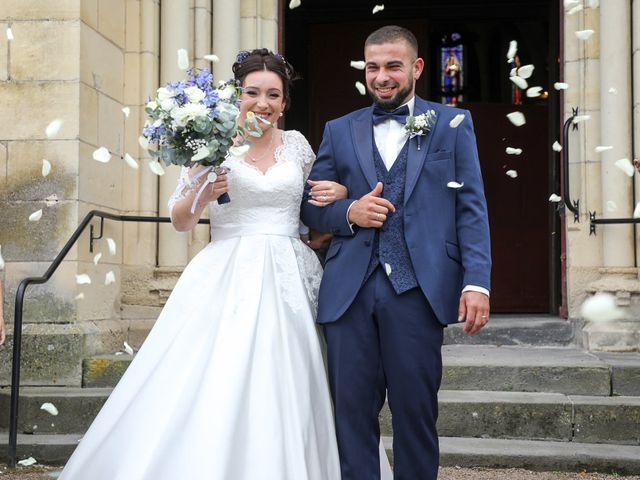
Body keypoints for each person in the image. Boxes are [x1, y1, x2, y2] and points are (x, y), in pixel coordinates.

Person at [59, 49, 347, 480]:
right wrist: (205, 194)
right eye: (253, 92)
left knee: (294, 368)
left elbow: (311, 205)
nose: (263, 103)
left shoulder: (298, 146)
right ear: (238, 95)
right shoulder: (214, 145)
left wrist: (339, 195)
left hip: (291, 269)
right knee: (219, 369)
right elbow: (180, 218)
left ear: (285, 102)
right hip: (228, 269)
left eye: (273, 95)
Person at [301, 25, 492, 480]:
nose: (382, 76)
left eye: (392, 66)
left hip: (418, 290)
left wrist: (476, 281)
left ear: (417, 68)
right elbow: (311, 209)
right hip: (349, 292)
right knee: (350, 418)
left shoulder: (452, 124)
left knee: (416, 415)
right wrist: (351, 211)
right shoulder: (339, 129)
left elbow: (471, 208)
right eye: (373, 67)